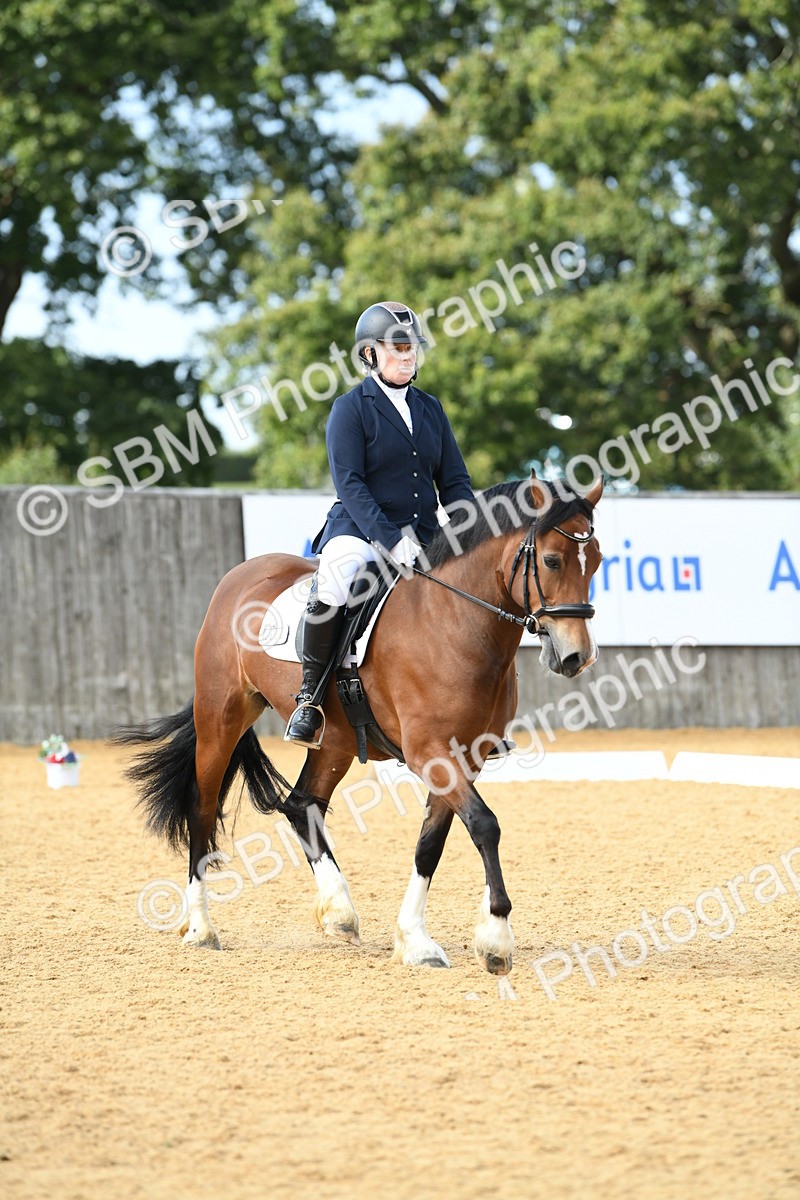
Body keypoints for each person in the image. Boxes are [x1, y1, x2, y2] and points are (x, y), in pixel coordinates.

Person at [284, 300, 475, 746]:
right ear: (370, 354)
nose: (409, 355)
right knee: (335, 581)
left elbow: (455, 481)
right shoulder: (350, 409)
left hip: (425, 535)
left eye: (413, 348)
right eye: (398, 347)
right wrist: (390, 539)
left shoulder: (431, 409)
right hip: (360, 530)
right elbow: (350, 484)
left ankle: (477, 710)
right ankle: (309, 700)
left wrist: (468, 531)